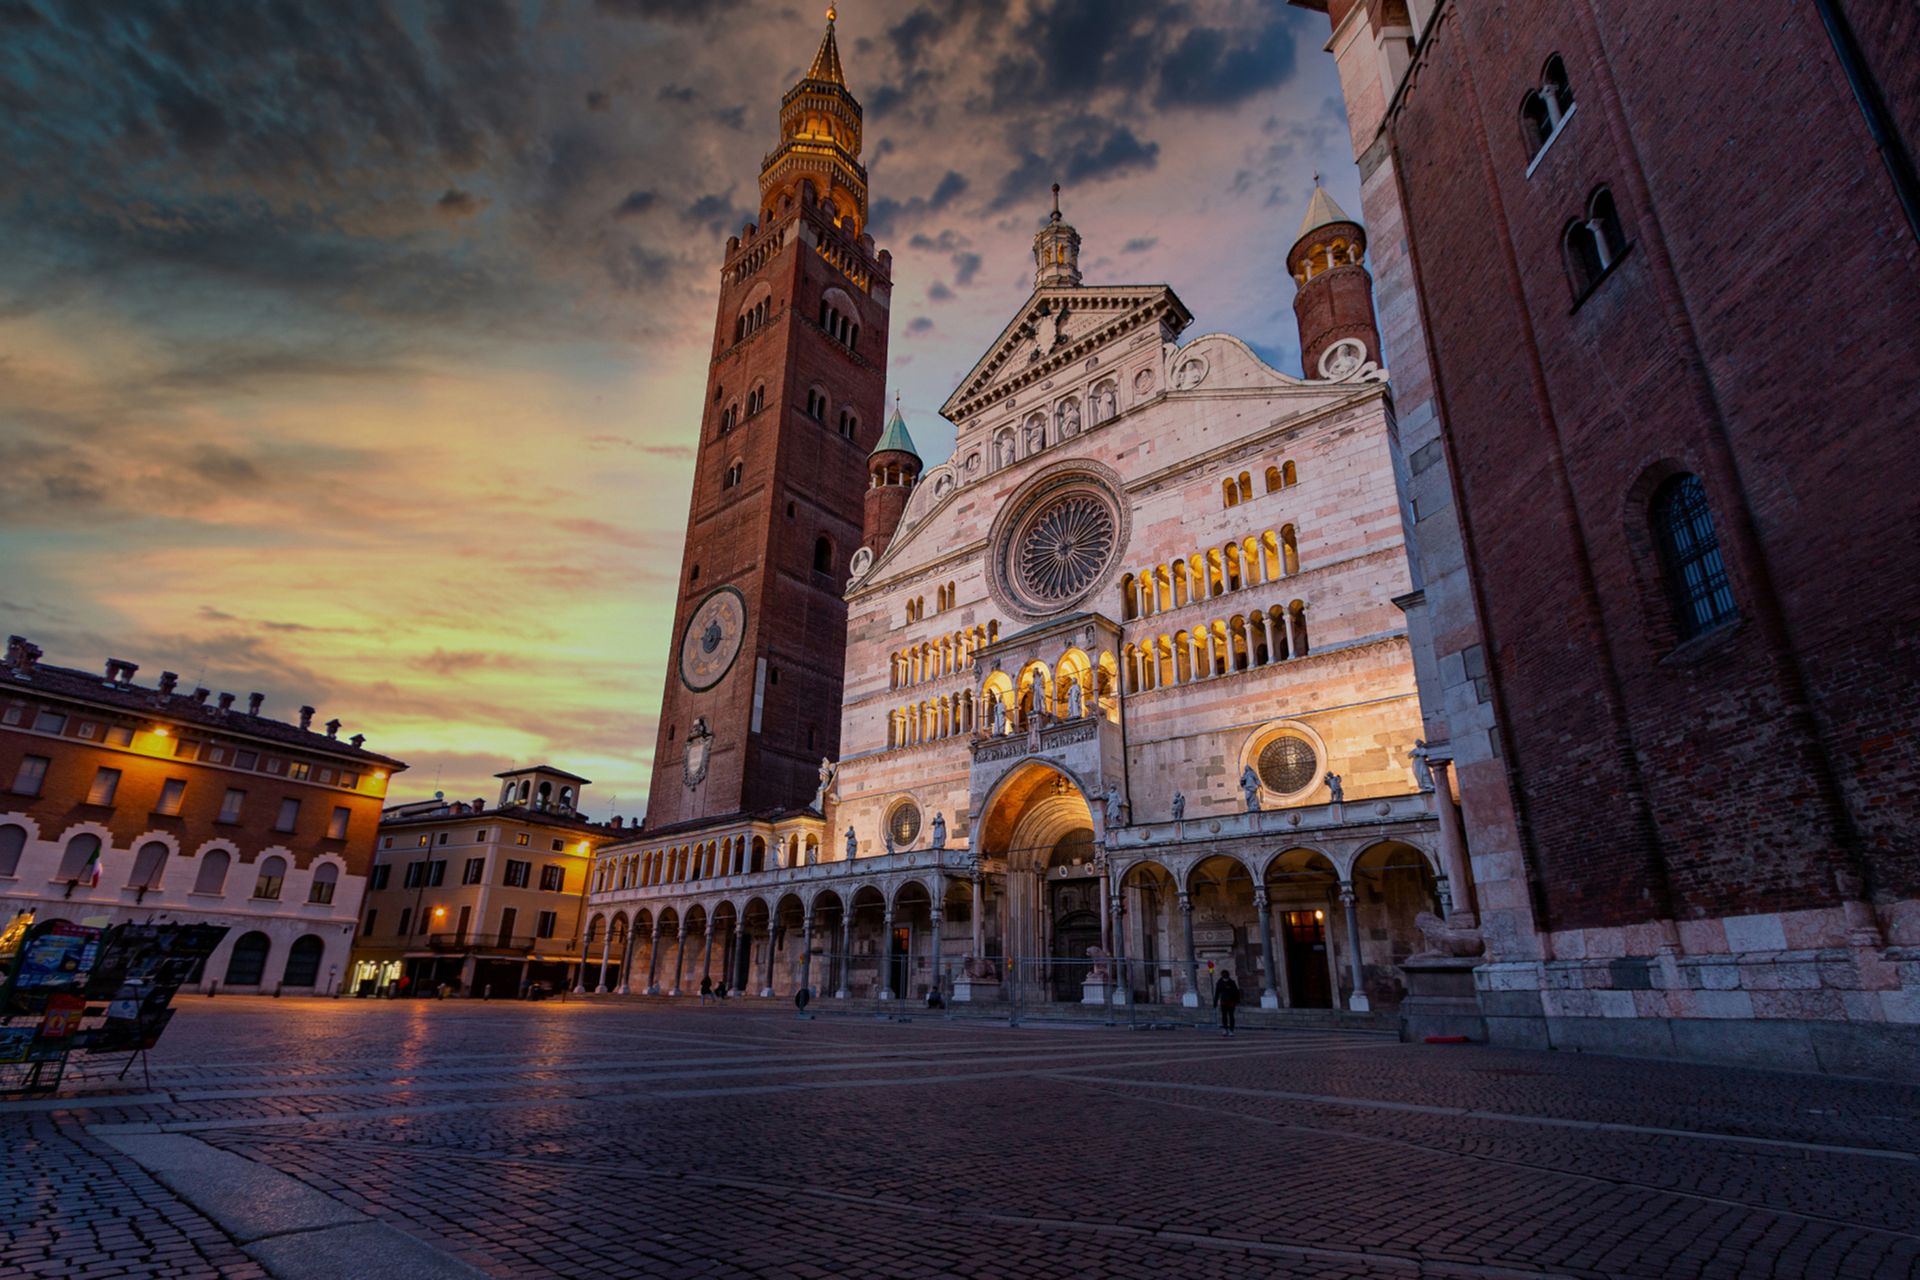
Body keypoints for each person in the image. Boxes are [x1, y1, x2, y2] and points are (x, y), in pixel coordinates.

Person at [1213, 971, 1241, 1038]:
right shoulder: (1219, 983)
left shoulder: (1232, 982)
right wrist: (1215, 1002)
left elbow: (1236, 992)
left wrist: (1237, 1001)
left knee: (1231, 1016)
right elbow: (1217, 993)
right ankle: (1225, 1028)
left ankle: (1231, 1030)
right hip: (1224, 1001)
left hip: (1231, 1002)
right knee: (1224, 1016)